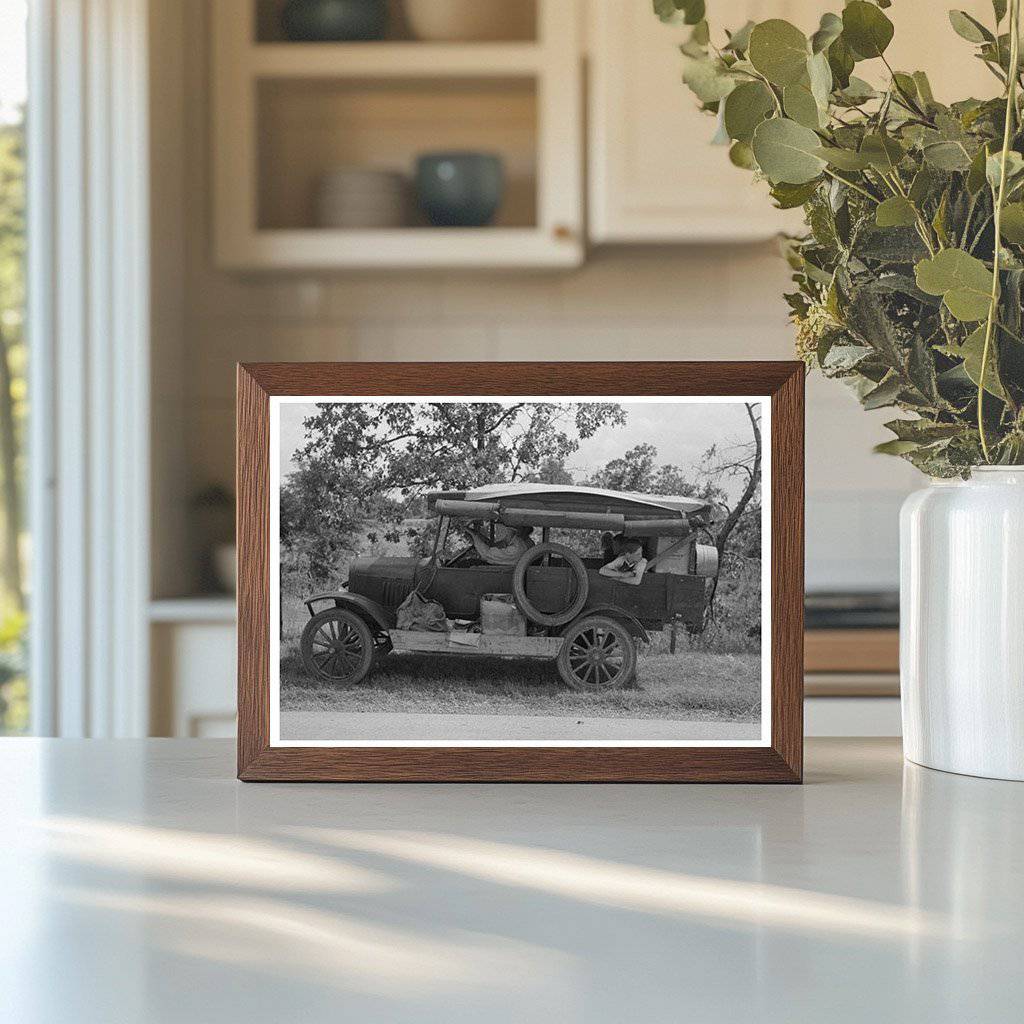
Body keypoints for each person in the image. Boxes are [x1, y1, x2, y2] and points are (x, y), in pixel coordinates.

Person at [465, 522, 535, 566]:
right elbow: (493, 545)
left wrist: (474, 536)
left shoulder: (515, 549)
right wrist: (477, 535)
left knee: (467, 564)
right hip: (504, 568)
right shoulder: (517, 541)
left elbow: (486, 554)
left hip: (504, 572)